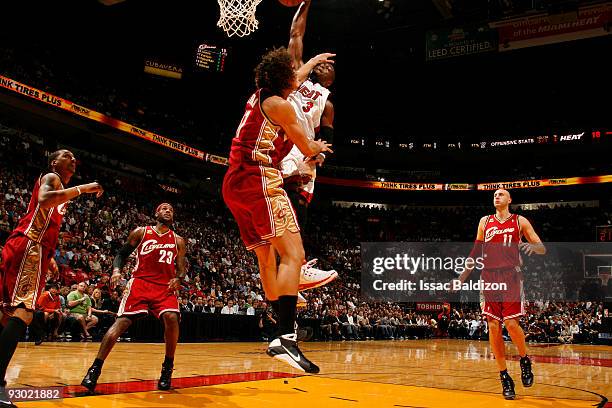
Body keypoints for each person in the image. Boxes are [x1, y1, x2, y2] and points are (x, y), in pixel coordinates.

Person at [222, 47, 333, 373]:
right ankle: (285, 338)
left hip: (233, 183)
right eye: (293, 72)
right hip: (259, 180)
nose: (297, 76)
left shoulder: (262, 96)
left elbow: (296, 79)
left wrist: (312, 62)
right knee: (293, 254)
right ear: (283, 79)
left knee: (266, 256)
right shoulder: (282, 107)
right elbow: (306, 146)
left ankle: (281, 318)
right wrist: (319, 148)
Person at [0, 149, 103, 408]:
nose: (73, 159)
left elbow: (41, 215)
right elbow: (44, 200)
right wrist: (83, 188)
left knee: (5, 314)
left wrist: (51, 257)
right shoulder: (52, 177)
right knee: (23, 313)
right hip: (30, 247)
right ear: (54, 162)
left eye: (75, 158)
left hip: (30, 246)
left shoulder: (57, 187)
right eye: (67, 156)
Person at [81, 203, 186, 393]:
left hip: (164, 287)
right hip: (140, 283)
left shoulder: (178, 240)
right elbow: (121, 254)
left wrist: (178, 279)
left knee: (171, 318)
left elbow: (181, 268)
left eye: (171, 209)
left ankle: (167, 369)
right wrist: (116, 271)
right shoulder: (141, 232)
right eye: (163, 208)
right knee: (121, 324)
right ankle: (94, 369)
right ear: (156, 213)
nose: (168, 210)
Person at [455, 189, 545, 399]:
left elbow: (541, 247)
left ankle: (524, 359)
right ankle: (504, 376)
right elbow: (475, 252)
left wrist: (534, 248)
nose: (497, 196)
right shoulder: (484, 222)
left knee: (512, 324)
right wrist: (461, 278)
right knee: (493, 326)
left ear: (510, 200)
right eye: (495, 194)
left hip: (511, 277)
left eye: (501, 194)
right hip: (488, 277)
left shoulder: (519, 221)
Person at [281, 0, 338, 293]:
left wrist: (320, 156)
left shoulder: (327, 103)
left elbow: (326, 138)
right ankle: (292, 261)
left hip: (307, 151)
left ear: (332, 78)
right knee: (288, 196)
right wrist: (305, 4)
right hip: (288, 144)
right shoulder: (297, 75)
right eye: (324, 61)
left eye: (332, 65)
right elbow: (296, 36)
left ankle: (295, 266)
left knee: (301, 206)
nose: (327, 63)